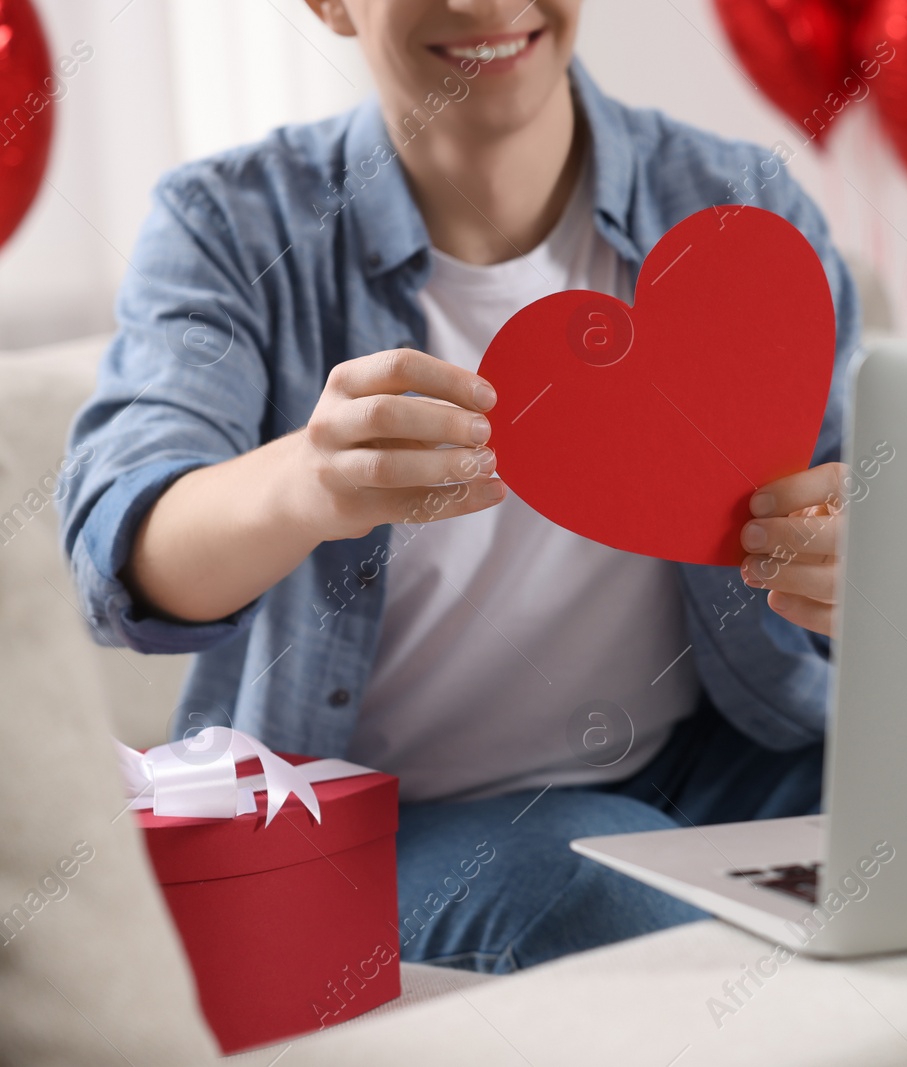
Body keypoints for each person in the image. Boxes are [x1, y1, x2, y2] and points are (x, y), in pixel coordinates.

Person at [58, 0, 859, 972]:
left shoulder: (742, 201)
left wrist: (866, 566)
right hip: (393, 816)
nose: (485, 3)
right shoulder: (226, 222)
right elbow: (119, 554)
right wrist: (306, 482)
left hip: (725, 756)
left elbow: (865, 513)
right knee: (593, 896)